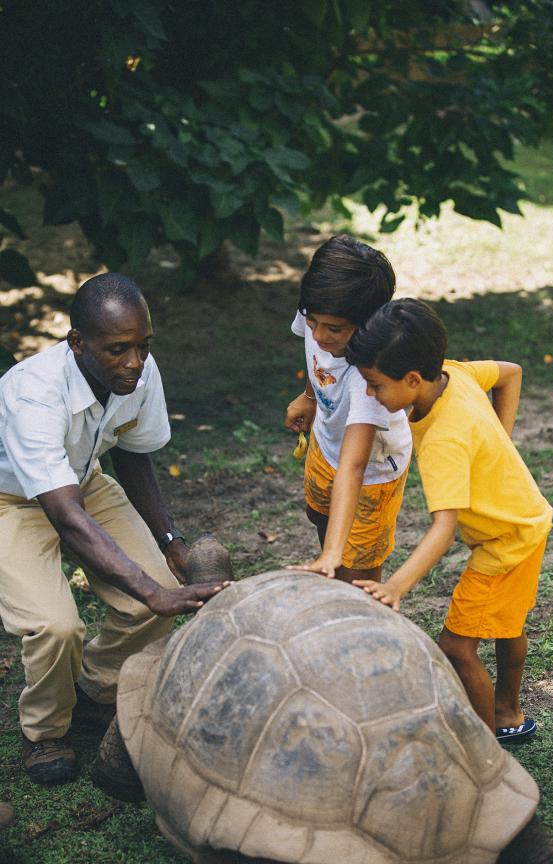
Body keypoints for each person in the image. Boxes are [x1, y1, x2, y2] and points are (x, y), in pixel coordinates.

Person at [0, 273, 228, 785]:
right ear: (76, 342)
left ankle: (93, 689)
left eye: (144, 346)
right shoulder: (32, 393)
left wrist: (170, 544)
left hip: (83, 480)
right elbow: (66, 517)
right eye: (118, 349)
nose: (134, 362)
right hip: (11, 500)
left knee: (165, 590)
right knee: (56, 625)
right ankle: (46, 731)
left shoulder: (139, 373)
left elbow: (134, 456)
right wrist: (147, 589)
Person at [346, 298, 553, 740]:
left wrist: (394, 586)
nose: (369, 394)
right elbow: (510, 372)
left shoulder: (444, 439)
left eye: (375, 385)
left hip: (504, 544)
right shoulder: (454, 373)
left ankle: (485, 746)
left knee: (457, 647)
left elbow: (443, 527)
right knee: (507, 622)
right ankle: (508, 713)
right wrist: (500, 440)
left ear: (413, 379)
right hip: (528, 519)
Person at [284, 235, 412, 584]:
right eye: (313, 322)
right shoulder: (320, 313)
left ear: (368, 323)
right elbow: (315, 355)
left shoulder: (370, 378)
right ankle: (335, 562)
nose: (320, 334)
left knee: (359, 579)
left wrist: (330, 555)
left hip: (371, 473)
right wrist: (310, 397)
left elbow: (354, 468)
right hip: (326, 445)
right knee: (319, 515)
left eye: (334, 329)